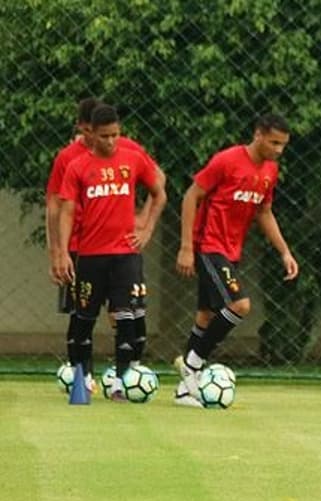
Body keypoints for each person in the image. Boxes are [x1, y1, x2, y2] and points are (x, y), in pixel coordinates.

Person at [173, 114, 299, 407]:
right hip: (209, 246)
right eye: (274, 142)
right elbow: (192, 196)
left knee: (205, 316)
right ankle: (192, 364)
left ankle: (184, 391)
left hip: (231, 251)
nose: (278, 149)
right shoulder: (227, 161)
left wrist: (285, 252)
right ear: (258, 134)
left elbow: (264, 213)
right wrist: (186, 247)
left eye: (283, 144)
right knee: (239, 305)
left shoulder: (270, 170)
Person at [46, 97, 166, 390]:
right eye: (104, 136)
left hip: (126, 253)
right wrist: (61, 252)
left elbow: (159, 192)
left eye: (115, 135)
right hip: (89, 254)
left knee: (127, 316)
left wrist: (146, 227)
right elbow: (65, 209)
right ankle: (81, 380)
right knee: (83, 318)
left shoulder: (133, 158)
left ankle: (122, 382)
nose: (111, 141)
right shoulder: (76, 166)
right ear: (89, 134)